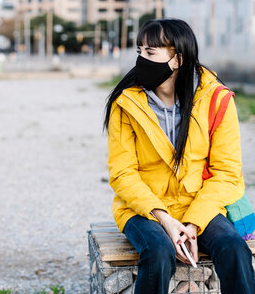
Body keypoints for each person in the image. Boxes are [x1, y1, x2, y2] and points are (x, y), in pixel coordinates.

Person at [104, 18, 255, 294]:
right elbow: (123, 173)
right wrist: (165, 219)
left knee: (234, 248)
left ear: (177, 60)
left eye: (150, 53)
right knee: (158, 251)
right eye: (139, 52)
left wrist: (194, 224)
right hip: (145, 209)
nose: (140, 60)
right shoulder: (125, 103)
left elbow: (227, 173)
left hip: (198, 206)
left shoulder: (217, 100)